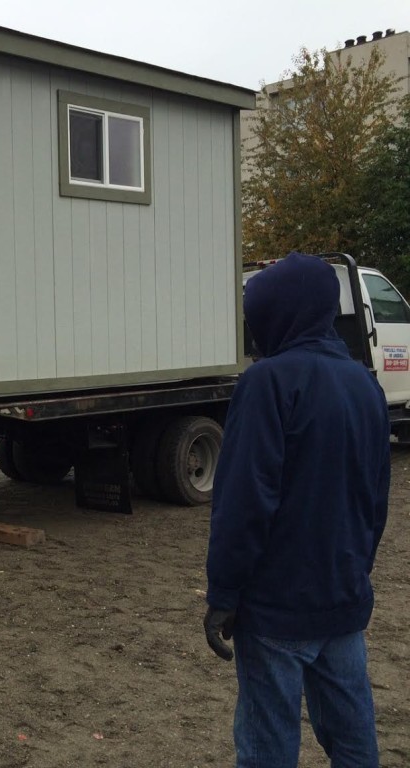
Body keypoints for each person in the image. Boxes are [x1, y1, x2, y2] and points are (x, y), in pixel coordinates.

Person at [204, 252, 390, 767]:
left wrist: (224, 592)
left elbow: (244, 503)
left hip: (276, 609)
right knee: (354, 743)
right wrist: (355, 570)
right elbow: (376, 501)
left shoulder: (267, 383)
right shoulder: (366, 386)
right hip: (342, 599)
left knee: (268, 746)